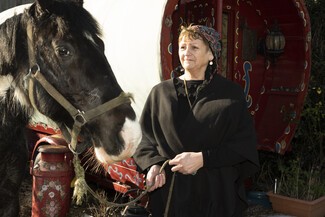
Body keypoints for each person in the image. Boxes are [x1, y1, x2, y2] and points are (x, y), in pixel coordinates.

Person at [133, 24, 259, 217]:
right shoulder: (160, 93)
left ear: (211, 55)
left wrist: (203, 159)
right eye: (182, 47)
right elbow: (145, 139)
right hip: (169, 194)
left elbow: (243, 146)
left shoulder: (230, 95)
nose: (186, 52)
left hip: (214, 194)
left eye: (194, 47)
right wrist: (153, 165)